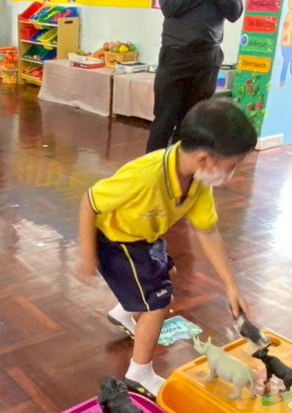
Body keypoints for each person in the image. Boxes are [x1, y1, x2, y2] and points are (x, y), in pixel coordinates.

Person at [76, 97, 259, 394]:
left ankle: (124, 312)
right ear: (204, 160)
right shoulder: (145, 176)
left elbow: (208, 231)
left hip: (145, 238)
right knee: (157, 302)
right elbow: (90, 201)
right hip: (116, 242)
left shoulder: (197, 181)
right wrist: (87, 254)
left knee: (165, 276)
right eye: (231, 166)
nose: (231, 174)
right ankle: (139, 373)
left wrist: (231, 286)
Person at [148, 0, 244, 152]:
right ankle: (153, 172)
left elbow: (234, 13)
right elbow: (169, 6)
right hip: (175, 56)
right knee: (163, 122)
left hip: (208, 59)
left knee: (193, 126)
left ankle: (184, 172)